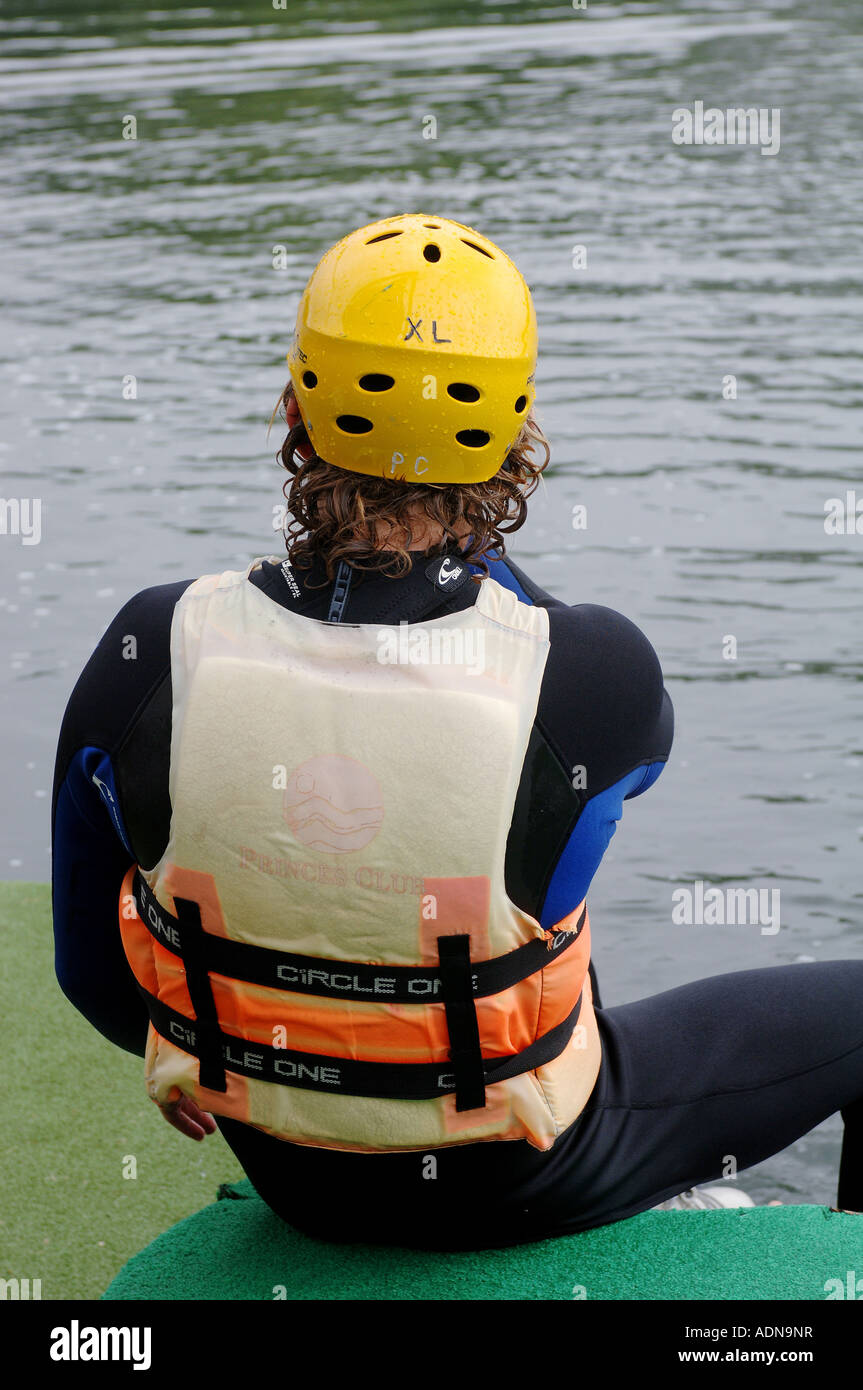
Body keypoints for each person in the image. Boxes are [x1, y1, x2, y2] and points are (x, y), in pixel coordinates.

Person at [52, 214, 863, 1252]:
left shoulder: (149, 644)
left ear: (295, 408)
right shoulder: (590, 668)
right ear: (517, 431)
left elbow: (94, 980)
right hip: (527, 1170)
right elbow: (610, 752)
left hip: (285, 1164)